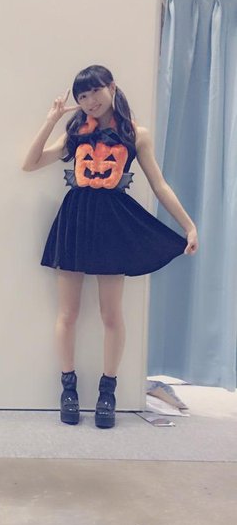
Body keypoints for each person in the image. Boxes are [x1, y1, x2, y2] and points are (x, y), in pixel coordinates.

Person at [22, 64, 199, 429]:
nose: (90, 101)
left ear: (112, 88)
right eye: (82, 96)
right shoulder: (74, 133)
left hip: (112, 223)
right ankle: (68, 389)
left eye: (95, 92)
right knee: (67, 313)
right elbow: (30, 163)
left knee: (111, 314)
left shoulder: (136, 134)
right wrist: (52, 119)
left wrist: (188, 225)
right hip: (75, 220)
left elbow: (159, 185)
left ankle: (108, 391)